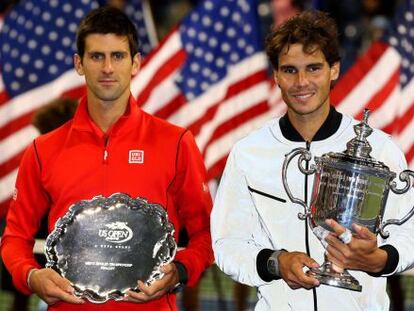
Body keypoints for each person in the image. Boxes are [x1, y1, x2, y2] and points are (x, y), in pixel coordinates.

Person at [0, 6, 213, 311]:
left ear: (136, 63)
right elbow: (14, 238)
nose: (108, 68)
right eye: (97, 56)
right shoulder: (43, 149)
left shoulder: (176, 142)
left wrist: (179, 271)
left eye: (118, 56)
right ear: (79, 63)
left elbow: (206, 235)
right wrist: (31, 276)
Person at [211, 10, 414, 311]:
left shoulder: (380, 148)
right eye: (290, 70)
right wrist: (276, 262)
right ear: (276, 76)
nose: (301, 82)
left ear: (334, 70)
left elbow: (409, 232)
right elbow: (227, 244)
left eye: (314, 68)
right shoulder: (248, 153)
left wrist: (379, 259)